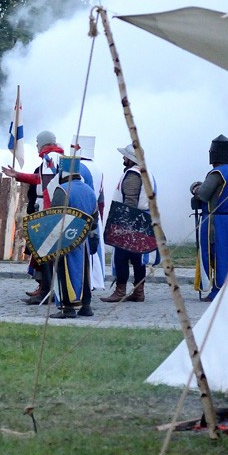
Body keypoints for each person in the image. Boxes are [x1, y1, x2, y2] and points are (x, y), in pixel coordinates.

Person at [2, 130, 63, 305]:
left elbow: (49, 186)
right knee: (40, 252)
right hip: (46, 210)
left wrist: (46, 215)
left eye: (37, 143)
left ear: (43, 143)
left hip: (47, 211)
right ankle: (43, 287)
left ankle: (46, 290)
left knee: (44, 252)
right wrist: (18, 175)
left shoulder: (50, 158)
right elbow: (39, 179)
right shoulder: (52, 158)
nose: (36, 146)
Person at [101, 144, 155, 303]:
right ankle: (139, 292)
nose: (123, 158)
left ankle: (120, 291)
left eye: (125, 156)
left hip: (131, 221)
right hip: (142, 220)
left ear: (131, 159)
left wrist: (123, 227)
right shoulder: (145, 172)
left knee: (121, 257)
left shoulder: (133, 175)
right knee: (138, 258)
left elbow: (130, 202)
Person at [191, 134, 228, 302]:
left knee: (216, 253)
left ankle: (218, 290)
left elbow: (204, 194)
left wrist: (195, 188)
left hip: (216, 221)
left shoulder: (217, 172)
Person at [48, 155, 99, 318]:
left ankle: (67, 308)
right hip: (83, 240)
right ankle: (86, 305)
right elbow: (95, 219)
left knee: (65, 271)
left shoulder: (62, 190)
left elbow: (54, 219)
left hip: (65, 241)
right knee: (84, 272)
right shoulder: (89, 191)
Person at [71, 135, 106, 293]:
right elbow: (101, 198)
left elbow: (80, 192)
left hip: (82, 215)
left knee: (83, 252)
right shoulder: (97, 168)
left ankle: (85, 282)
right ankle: (95, 280)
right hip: (94, 213)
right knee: (94, 250)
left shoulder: (80, 167)